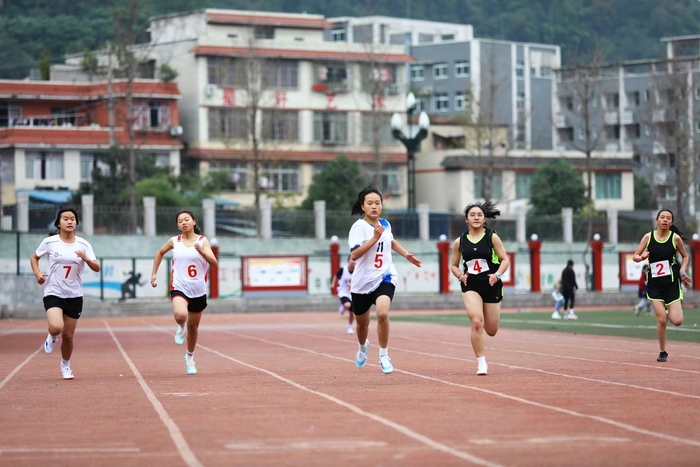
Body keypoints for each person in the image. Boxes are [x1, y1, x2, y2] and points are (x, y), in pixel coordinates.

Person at [349, 186, 421, 374]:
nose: (374, 206)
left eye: (378, 203)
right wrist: (373, 238)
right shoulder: (358, 227)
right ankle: (363, 346)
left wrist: (406, 254)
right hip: (362, 282)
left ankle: (383, 354)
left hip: (385, 276)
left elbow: (390, 241)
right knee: (362, 324)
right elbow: (355, 254)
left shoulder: (385, 224)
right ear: (363, 206)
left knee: (382, 314)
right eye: (370, 203)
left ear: (382, 206)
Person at [30, 208, 100, 380]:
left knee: (68, 336)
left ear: (76, 223)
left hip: (74, 294)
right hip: (53, 291)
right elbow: (34, 258)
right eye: (65, 218)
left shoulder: (84, 245)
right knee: (56, 327)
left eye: (73, 219)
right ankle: (52, 335)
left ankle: (65, 365)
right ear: (58, 223)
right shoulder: (49, 242)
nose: (69, 221)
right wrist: (38, 273)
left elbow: (97, 267)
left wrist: (86, 259)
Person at [151, 210, 218, 375]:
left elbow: (214, 262)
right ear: (177, 225)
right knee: (181, 315)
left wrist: (202, 253)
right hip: (179, 286)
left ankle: (189, 358)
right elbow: (159, 252)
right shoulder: (175, 241)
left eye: (186, 219)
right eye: (180, 221)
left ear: (194, 221)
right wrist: (154, 273)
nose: (183, 222)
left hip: (198, 290)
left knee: (194, 327)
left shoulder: (203, 241)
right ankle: (180, 326)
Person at [450, 201, 510, 376]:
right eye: (472, 215)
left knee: (491, 330)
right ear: (466, 219)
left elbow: (504, 260)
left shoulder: (492, 236)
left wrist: (497, 275)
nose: (476, 217)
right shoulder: (459, 241)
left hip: (491, 284)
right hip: (471, 285)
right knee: (476, 322)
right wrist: (460, 276)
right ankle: (481, 363)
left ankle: (485, 330)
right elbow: (453, 265)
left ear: (484, 219)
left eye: (479, 215)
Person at [632, 209, 692, 362]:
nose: (665, 220)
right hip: (654, 286)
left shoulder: (675, 238)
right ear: (657, 220)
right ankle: (662, 351)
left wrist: (683, 271)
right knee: (662, 320)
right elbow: (635, 256)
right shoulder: (648, 237)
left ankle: (671, 310)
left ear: (671, 222)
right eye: (662, 217)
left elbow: (685, 256)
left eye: (668, 218)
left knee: (677, 321)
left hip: (671, 285)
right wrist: (642, 257)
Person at [330, 256, 356, 334]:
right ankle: (343, 306)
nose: (353, 261)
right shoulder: (343, 270)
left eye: (355, 260)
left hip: (352, 294)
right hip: (343, 292)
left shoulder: (357, 271)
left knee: (352, 313)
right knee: (347, 305)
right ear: (348, 261)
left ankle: (349, 327)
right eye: (352, 259)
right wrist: (333, 284)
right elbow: (336, 276)